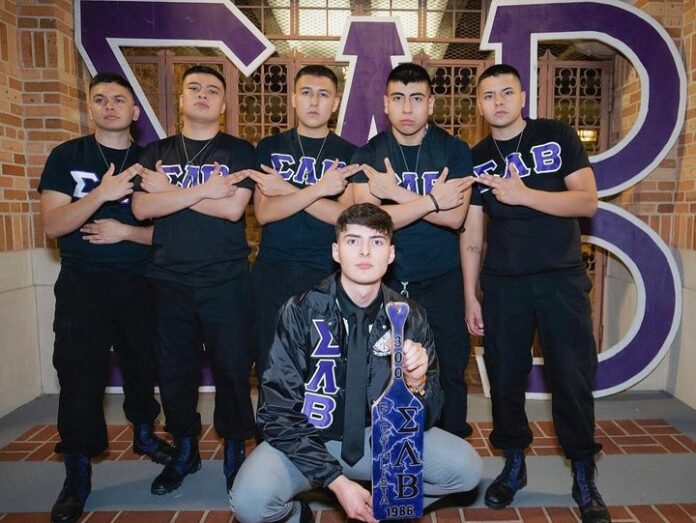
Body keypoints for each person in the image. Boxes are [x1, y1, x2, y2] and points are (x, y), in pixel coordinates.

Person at [229, 203, 482, 523]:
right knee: (250, 502)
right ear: (336, 251)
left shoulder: (408, 315)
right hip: (311, 437)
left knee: (465, 469)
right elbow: (275, 410)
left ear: (390, 254)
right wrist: (338, 483)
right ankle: (298, 516)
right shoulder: (301, 310)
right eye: (352, 241)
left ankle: (385, 507)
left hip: (379, 439)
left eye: (376, 242)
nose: (364, 251)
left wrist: (417, 385)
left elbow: (431, 412)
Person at [461, 64, 610, 523]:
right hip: (503, 284)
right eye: (488, 96)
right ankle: (514, 465)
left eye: (507, 92)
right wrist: (471, 294)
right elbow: (471, 232)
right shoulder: (477, 156)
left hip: (560, 278)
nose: (498, 102)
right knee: (504, 380)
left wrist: (524, 195)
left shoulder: (557, 135)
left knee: (571, 378)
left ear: (523, 96)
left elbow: (586, 201)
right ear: (481, 106)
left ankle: (584, 474)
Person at [39, 72, 172, 523]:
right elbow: (54, 225)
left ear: (135, 112)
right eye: (100, 99)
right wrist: (102, 195)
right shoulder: (67, 155)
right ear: (90, 108)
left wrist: (126, 231)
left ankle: (145, 434)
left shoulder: (153, 162)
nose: (110, 105)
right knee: (78, 377)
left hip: (141, 284)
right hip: (82, 286)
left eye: (120, 99)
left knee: (143, 367)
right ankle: (77, 473)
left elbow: (171, 234)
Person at [132, 65, 256, 495]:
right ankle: (185, 446)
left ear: (223, 105)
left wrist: (170, 193)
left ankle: (236, 447)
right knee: (174, 372)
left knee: (233, 369)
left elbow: (232, 211)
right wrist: (203, 191)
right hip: (168, 280)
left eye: (212, 90)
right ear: (181, 100)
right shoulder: (156, 152)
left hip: (226, 280)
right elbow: (141, 210)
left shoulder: (239, 152)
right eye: (194, 88)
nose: (203, 94)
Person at [352, 63, 476, 439]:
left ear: (431, 104)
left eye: (417, 99)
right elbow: (366, 219)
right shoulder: (369, 152)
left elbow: (455, 217)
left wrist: (397, 197)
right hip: (383, 284)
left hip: (442, 280)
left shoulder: (453, 150)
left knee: (449, 370)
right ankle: (386, 458)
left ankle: (449, 456)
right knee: (379, 371)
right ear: (385, 104)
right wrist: (431, 201)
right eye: (399, 99)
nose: (408, 109)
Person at [248, 64, 360, 383]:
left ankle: (319, 435)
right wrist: (320, 190)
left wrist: (286, 189)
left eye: (323, 95)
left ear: (335, 103)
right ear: (294, 98)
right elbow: (265, 213)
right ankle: (273, 434)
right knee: (272, 364)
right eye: (307, 93)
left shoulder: (349, 154)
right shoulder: (270, 148)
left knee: (322, 368)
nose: (314, 102)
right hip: (273, 271)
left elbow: (344, 218)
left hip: (325, 273)